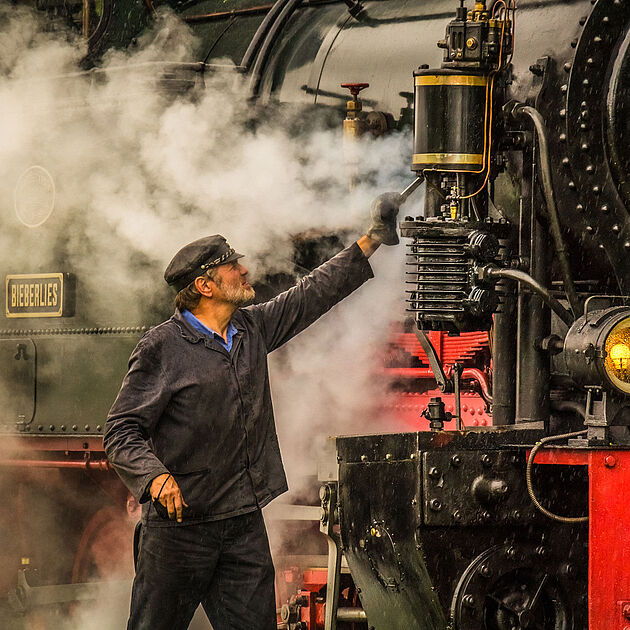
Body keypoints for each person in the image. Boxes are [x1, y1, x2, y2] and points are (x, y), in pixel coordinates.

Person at [104, 193, 401, 630]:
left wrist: (372, 239)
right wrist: (153, 477)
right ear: (205, 286)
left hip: (241, 525)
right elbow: (121, 430)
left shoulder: (251, 328)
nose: (244, 271)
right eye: (231, 267)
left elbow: (311, 294)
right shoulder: (161, 348)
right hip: (179, 531)